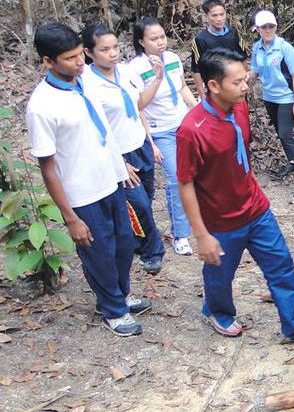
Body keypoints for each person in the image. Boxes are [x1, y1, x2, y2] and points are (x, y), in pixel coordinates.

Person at [176, 48, 294, 346]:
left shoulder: (239, 105)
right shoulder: (191, 130)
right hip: (220, 219)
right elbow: (185, 183)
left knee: (281, 265)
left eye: (245, 79)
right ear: (213, 86)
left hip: (256, 208)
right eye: (237, 82)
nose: (246, 87)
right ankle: (217, 311)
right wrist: (201, 235)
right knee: (220, 276)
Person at [26, 22, 151, 337]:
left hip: (110, 181)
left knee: (124, 244)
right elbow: (48, 166)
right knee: (99, 253)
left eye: (81, 55)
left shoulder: (87, 84)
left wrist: (121, 168)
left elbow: (105, 132)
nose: (80, 63)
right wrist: (70, 217)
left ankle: (119, 294)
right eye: (70, 58)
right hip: (83, 194)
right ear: (48, 62)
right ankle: (112, 309)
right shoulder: (42, 106)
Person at [82, 23, 165, 274]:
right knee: (138, 202)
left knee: (146, 201)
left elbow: (138, 104)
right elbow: (94, 127)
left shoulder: (126, 71)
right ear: (89, 52)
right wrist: (117, 161)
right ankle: (153, 250)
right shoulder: (86, 82)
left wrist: (158, 78)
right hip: (118, 153)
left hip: (139, 144)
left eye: (115, 47)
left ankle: (138, 241)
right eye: (105, 49)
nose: (113, 53)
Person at [127, 17, 197, 256]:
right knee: (176, 178)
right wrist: (151, 142)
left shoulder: (174, 59)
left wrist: (197, 110)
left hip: (184, 124)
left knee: (194, 174)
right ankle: (180, 234)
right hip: (160, 130)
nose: (160, 42)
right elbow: (138, 107)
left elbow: (183, 87)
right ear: (141, 41)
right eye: (153, 39)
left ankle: (196, 219)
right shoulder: (134, 69)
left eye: (162, 37)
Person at [248, 9, 294, 197]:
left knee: (285, 134)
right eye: (264, 27)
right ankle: (292, 163)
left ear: (275, 27)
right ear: (257, 29)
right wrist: (245, 80)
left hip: (286, 97)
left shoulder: (284, 47)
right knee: (280, 132)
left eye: (271, 26)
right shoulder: (257, 48)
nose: (268, 30)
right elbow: (255, 70)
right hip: (269, 97)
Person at [191, 0, 247, 97]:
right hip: (215, 89)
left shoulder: (233, 33)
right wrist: (202, 94)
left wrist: (247, 84)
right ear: (206, 16)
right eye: (214, 15)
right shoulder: (200, 40)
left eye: (222, 14)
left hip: (236, 86)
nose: (219, 19)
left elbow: (243, 59)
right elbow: (196, 70)